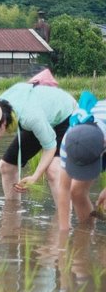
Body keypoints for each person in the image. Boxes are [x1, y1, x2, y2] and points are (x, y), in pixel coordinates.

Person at [0, 82, 76, 208]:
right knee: (6, 166)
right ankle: (12, 214)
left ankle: (63, 221)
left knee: (53, 169)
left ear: (3, 124)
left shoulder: (30, 116)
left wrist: (35, 176)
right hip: (41, 118)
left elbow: (50, 146)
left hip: (66, 115)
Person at [52, 92, 106, 231]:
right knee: (76, 192)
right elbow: (64, 188)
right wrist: (63, 233)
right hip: (93, 138)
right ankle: (87, 233)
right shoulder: (69, 142)